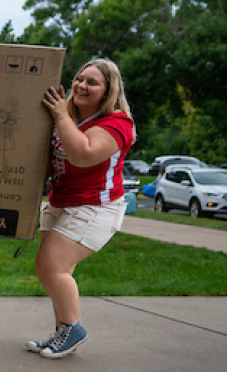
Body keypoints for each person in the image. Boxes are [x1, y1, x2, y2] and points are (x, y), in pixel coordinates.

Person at [26, 58, 135, 359]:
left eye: (92, 82)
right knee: (55, 271)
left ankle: (72, 329)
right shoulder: (70, 117)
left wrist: (61, 115)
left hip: (94, 207)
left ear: (108, 90)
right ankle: (62, 334)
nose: (81, 86)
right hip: (62, 201)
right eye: (79, 79)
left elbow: (83, 155)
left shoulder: (117, 123)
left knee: (51, 266)